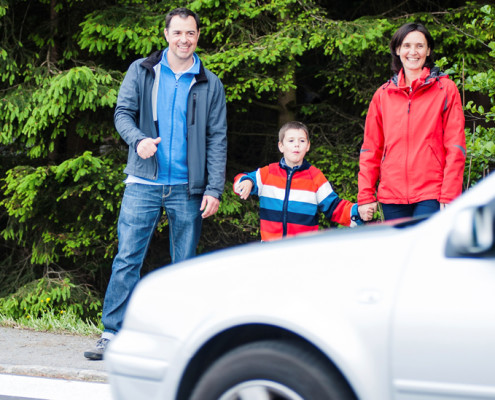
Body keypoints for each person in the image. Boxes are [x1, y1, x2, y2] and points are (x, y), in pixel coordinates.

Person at [84, 7, 227, 360]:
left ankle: (180, 340)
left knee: (184, 266)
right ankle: (111, 333)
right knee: (127, 259)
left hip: (187, 187)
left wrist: (213, 188)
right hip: (142, 182)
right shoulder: (142, 70)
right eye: (177, 33)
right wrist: (138, 140)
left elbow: (217, 137)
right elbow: (122, 113)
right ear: (166, 34)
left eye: (190, 33)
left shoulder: (209, 82)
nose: (184, 39)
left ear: (197, 36)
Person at [358, 22, 466, 221]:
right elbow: (370, 149)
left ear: (428, 50)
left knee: (426, 251)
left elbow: (455, 146)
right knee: (399, 252)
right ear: (398, 50)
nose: (413, 52)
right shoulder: (382, 95)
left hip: (432, 193)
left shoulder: (446, 89)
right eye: (407, 46)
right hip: (391, 196)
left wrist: (450, 193)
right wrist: (365, 195)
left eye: (420, 45)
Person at [233, 121, 373, 241]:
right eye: (291, 140)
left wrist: (358, 212)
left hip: (303, 250)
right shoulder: (268, 173)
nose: (297, 145)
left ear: (308, 146)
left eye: (302, 141)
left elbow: (335, 207)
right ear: (281, 146)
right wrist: (247, 182)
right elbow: (240, 180)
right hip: (270, 249)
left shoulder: (315, 176)